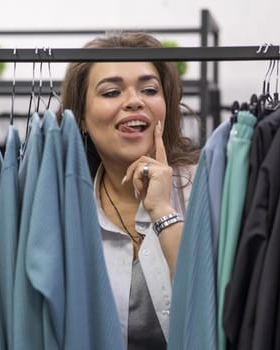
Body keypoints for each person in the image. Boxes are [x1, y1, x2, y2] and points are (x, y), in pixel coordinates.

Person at [59, 31, 199, 350]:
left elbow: (211, 306)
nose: (135, 101)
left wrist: (163, 212)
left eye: (149, 89)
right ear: (81, 117)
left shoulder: (205, 187)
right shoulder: (62, 208)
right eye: (111, 92)